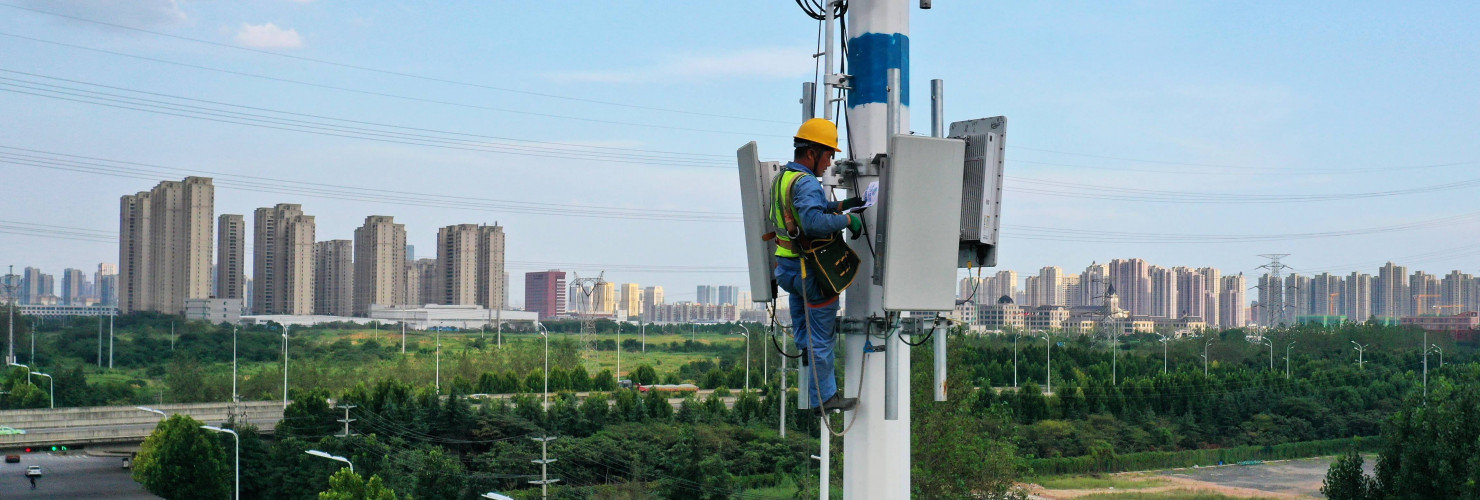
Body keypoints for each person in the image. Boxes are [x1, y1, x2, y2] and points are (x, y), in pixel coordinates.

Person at [772, 118, 865, 414]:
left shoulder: (785, 178)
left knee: (806, 333)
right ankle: (824, 398)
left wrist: (839, 205)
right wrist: (847, 220)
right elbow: (811, 222)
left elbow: (802, 210)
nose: (830, 164)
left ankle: (809, 363)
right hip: (808, 271)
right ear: (812, 152)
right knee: (821, 337)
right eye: (828, 156)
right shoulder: (807, 182)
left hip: (787, 269)